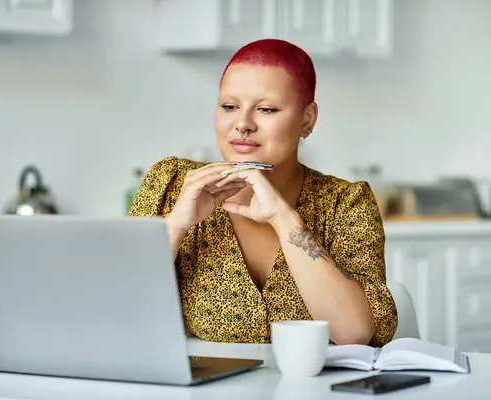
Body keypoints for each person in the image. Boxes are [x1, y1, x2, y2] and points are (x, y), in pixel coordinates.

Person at [129, 38, 397, 346]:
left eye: (267, 109)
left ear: (307, 119)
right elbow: (118, 311)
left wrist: (284, 219)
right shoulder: (172, 183)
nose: (242, 124)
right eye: (229, 107)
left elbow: (353, 334)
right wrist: (176, 225)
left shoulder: (346, 203)